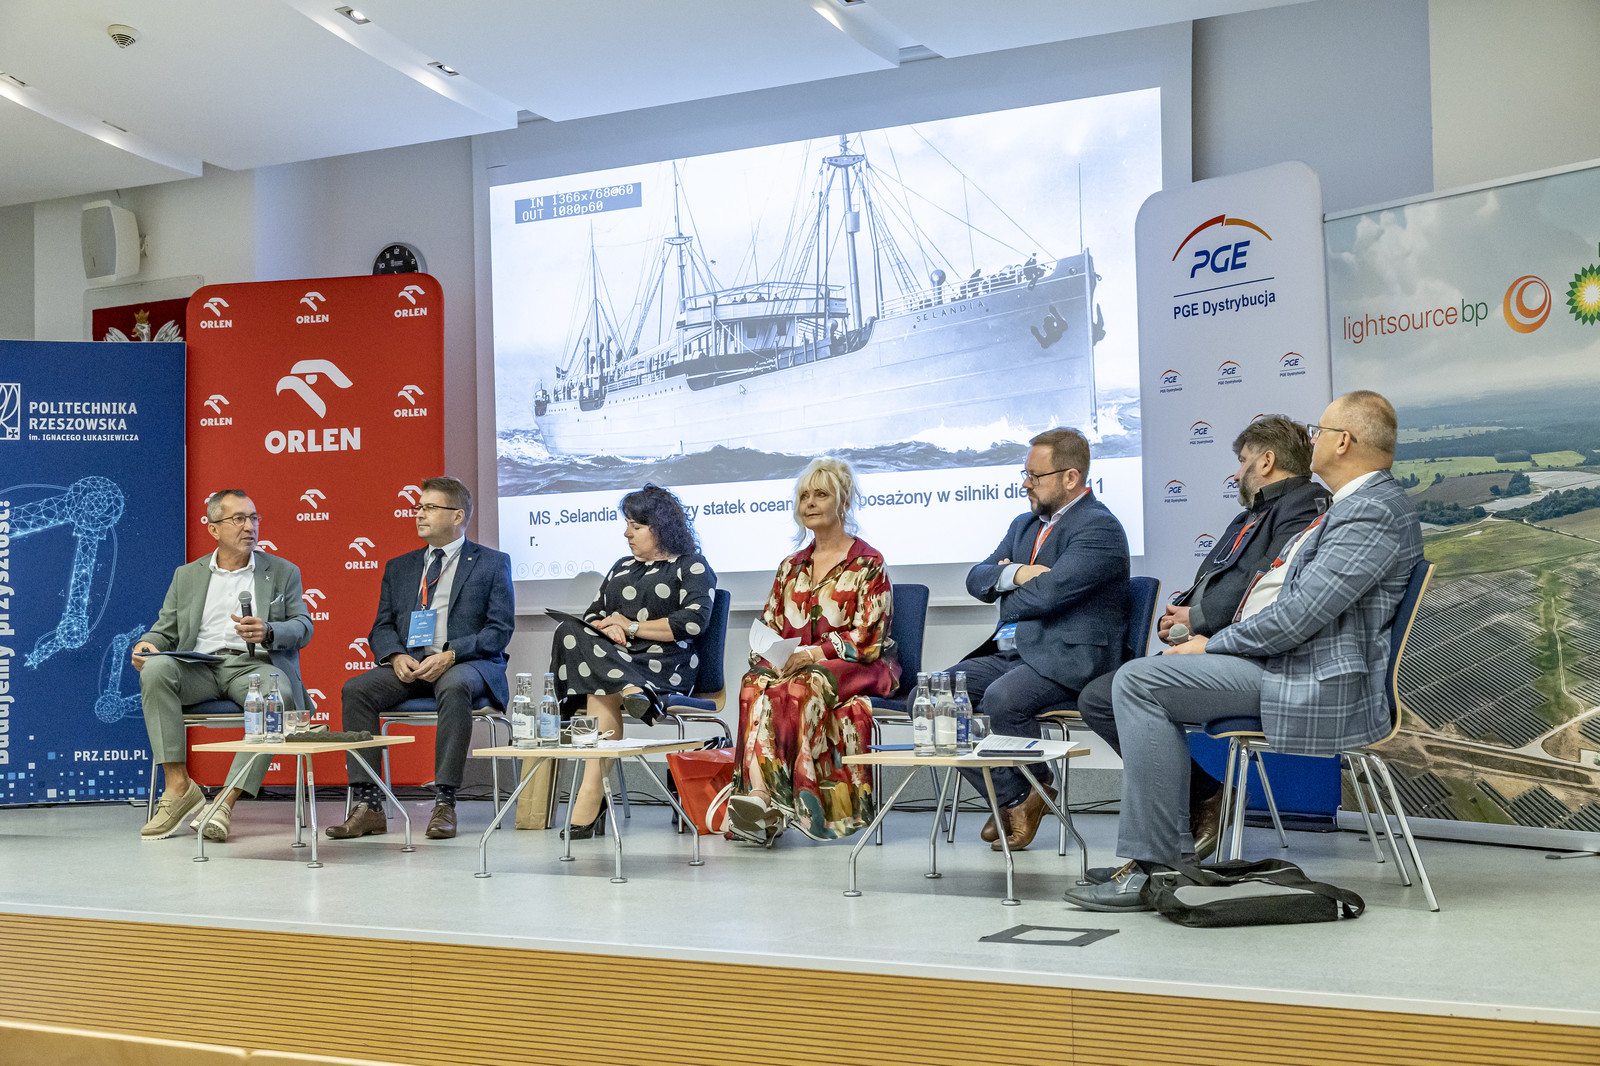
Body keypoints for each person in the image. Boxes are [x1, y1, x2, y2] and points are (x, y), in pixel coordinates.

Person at [1066, 391, 1423, 912]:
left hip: (1313, 678)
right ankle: (1163, 856)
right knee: (1136, 681)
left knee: (1139, 682)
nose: (1312, 439)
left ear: (1344, 441)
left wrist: (1212, 643)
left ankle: (1155, 866)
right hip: (1288, 663)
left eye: (1319, 431)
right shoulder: (1354, 505)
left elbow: (1299, 616)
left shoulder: (1371, 511)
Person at [1075, 415, 1329, 866]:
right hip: (1220, 644)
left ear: (1267, 461)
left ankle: (1160, 858)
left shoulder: (1304, 507)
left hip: (1263, 660)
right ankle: (1205, 795)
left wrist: (1198, 620)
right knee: (1099, 697)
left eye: (1243, 460)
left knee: (1130, 686)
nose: (1237, 471)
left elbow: (1266, 587)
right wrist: (1181, 614)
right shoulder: (1249, 516)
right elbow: (1217, 579)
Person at [948, 427, 1130, 851]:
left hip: (1069, 657)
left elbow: (1048, 596)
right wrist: (1018, 573)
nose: (1025, 483)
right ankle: (1019, 796)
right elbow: (976, 579)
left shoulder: (1099, 528)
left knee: (1002, 699)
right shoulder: (1024, 525)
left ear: (1071, 477)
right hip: (1015, 652)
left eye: (1035, 475)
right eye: (1025, 474)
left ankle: (1024, 795)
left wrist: (1007, 589)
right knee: (935, 698)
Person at [326, 476, 514, 842]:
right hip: (413, 665)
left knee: (455, 685)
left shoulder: (492, 563)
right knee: (356, 690)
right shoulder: (400, 567)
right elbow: (381, 627)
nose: (419, 513)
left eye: (429, 507)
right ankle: (369, 805)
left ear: (457, 516)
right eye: (418, 507)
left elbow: (499, 630)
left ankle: (445, 802)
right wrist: (395, 655)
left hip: (468, 663)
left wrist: (451, 654)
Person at [728, 458, 899, 844]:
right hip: (797, 664)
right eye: (804, 495)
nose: (809, 502)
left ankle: (780, 803)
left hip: (860, 664)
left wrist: (811, 654)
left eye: (821, 494)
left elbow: (868, 637)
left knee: (805, 683)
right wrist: (771, 657)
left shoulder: (868, 563)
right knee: (754, 682)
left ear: (844, 501)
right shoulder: (790, 566)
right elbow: (770, 624)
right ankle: (758, 798)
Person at [130, 490, 315, 842]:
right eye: (238, 519)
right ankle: (178, 786)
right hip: (199, 666)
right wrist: (147, 644)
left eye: (253, 518)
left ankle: (224, 803)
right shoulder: (187, 575)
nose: (249, 526)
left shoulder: (282, 571)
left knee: (275, 692)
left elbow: (303, 626)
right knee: (155, 669)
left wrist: (269, 630)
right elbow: (164, 629)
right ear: (214, 528)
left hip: (253, 666)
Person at [550, 485, 716, 839]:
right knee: (569, 630)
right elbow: (592, 616)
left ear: (662, 528)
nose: (627, 534)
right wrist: (606, 627)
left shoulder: (691, 566)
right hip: (618, 661)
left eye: (636, 526)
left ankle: (590, 796)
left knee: (600, 685)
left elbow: (693, 622)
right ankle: (631, 689)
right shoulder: (621, 567)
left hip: (665, 663)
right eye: (627, 525)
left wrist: (631, 626)